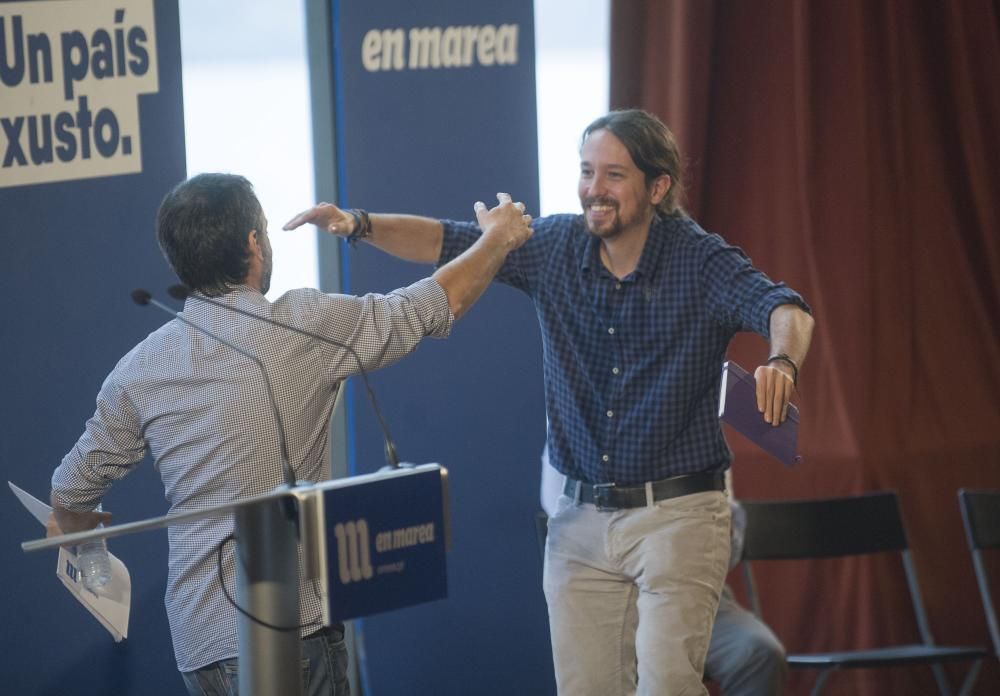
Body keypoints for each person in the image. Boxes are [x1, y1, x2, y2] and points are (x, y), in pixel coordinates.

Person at [283, 109, 815, 695]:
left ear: (657, 187)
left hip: (678, 517)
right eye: (587, 171)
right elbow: (447, 239)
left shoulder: (700, 260)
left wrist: (781, 360)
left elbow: (783, 307)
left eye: (614, 175)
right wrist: (357, 222)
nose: (594, 189)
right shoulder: (556, 245)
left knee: (666, 686)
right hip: (579, 522)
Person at [48, 173, 533, 695]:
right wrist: (496, 239)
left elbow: (69, 494)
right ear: (255, 243)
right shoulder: (302, 324)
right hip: (289, 633)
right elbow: (432, 306)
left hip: (198, 645)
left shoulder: (138, 368)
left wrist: (87, 545)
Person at [541, 448, 787, 695]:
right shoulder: (579, 433)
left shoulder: (698, 438)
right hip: (606, 589)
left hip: (691, 587)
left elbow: (726, 543)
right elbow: (564, 518)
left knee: (759, 653)